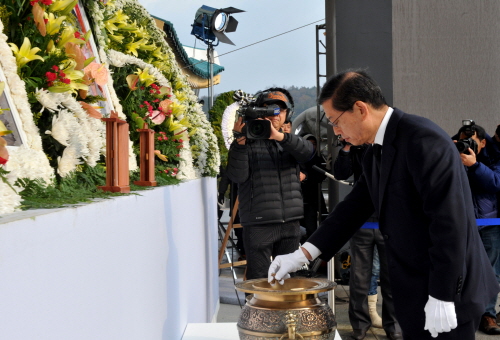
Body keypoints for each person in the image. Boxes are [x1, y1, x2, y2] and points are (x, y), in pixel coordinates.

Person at [268, 69, 499, 340]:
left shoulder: (423, 140)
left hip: (448, 291)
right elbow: (352, 209)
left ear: (360, 109)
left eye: (335, 121)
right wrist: (303, 254)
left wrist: (442, 294)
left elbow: (450, 223)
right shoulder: (375, 150)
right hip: (415, 291)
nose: (336, 132)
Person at [226, 87, 314, 280]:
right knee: (259, 280)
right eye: (267, 109)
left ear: (286, 114)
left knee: (289, 278)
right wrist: (239, 141)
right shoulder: (245, 142)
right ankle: (256, 312)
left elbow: (307, 152)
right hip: (259, 223)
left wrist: (279, 136)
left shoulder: (289, 141)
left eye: (279, 110)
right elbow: (237, 176)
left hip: (290, 222)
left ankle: (285, 312)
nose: (274, 114)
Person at [333, 141, 400, 338]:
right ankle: (360, 326)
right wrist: (346, 149)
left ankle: (393, 325)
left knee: (391, 278)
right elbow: (340, 173)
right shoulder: (356, 147)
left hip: (389, 220)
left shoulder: (393, 144)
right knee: (359, 278)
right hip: (361, 221)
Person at [452, 123, 500, 335]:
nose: (468, 145)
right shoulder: (454, 156)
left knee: (491, 272)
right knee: (461, 271)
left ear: (483, 142)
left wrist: (475, 165)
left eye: (472, 141)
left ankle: (487, 314)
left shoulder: (493, 158)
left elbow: (496, 182)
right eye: (464, 140)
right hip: (463, 223)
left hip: (489, 225)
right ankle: (463, 314)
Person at [299, 134, 327, 244]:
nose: (311, 147)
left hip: (311, 199)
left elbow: (321, 175)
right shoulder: (296, 158)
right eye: (308, 144)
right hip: (298, 200)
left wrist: (307, 176)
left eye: (314, 144)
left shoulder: (317, 159)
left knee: (311, 229)